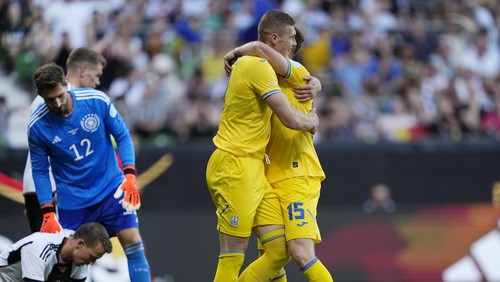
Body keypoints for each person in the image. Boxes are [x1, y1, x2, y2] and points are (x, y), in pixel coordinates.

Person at [205, 9, 320, 282]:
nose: (294, 43)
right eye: (291, 37)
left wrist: (317, 84)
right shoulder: (256, 66)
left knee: (279, 251)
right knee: (234, 251)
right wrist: (313, 120)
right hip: (234, 162)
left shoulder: (273, 67)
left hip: (256, 166)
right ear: (274, 39)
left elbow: (301, 76)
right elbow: (291, 119)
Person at [28, 63, 151, 282]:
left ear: (67, 84)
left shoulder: (96, 101)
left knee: (133, 242)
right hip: (73, 201)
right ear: (41, 96)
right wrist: (47, 212)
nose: (57, 103)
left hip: (110, 188)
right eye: (50, 99)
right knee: (67, 261)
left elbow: (122, 136)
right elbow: (39, 171)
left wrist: (130, 175)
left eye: (60, 95)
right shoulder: (37, 126)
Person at [23, 47, 106, 233]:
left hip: (47, 189)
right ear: (84, 70)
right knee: (58, 254)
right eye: (97, 75)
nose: (98, 81)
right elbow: (56, 149)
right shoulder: (51, 101)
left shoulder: (73, 100)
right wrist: (49, 196)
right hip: (52, 188)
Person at [0, 222, 113, 282]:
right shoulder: (39, 247)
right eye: (92, 257)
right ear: (80, 244)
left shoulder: (80, 259)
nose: (92, 263)